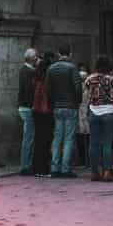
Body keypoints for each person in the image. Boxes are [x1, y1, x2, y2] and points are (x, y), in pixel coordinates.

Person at [84, 55, 113, 181]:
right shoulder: (112, 79)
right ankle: (107, 172)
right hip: (109, 112)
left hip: (94, 111)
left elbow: (86, 94)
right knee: (107, 143)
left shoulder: (89, 78)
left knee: (93, 142)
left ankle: (94, 171)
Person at [47, 42, 82, 178]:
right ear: (70, 53)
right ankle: (65, 168)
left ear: (58, 53)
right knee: (68, 138)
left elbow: (48, 89)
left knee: (57, 137)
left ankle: (55, 167)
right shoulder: (72, 68)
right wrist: (77, 101)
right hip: (70, 106)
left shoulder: (51, 68)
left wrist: (52, 103)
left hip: (57, 106)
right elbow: (78, 87)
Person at [32, 52, 55, 178]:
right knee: (45, 141)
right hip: (45, 112)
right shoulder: (47, 80)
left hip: (36, 111)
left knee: (38, 139)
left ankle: (37, 168)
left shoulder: (36, 79)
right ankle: (43, 169)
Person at [17, 47, 39, 175]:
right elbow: (29, 91)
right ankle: (26, 165)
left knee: (29, 137)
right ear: (32, 59)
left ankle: (27, 164)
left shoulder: (26, 70)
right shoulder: (28, 71)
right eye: (36, 57)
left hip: (24, 106)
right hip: (27, 107)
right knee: (29, 137)